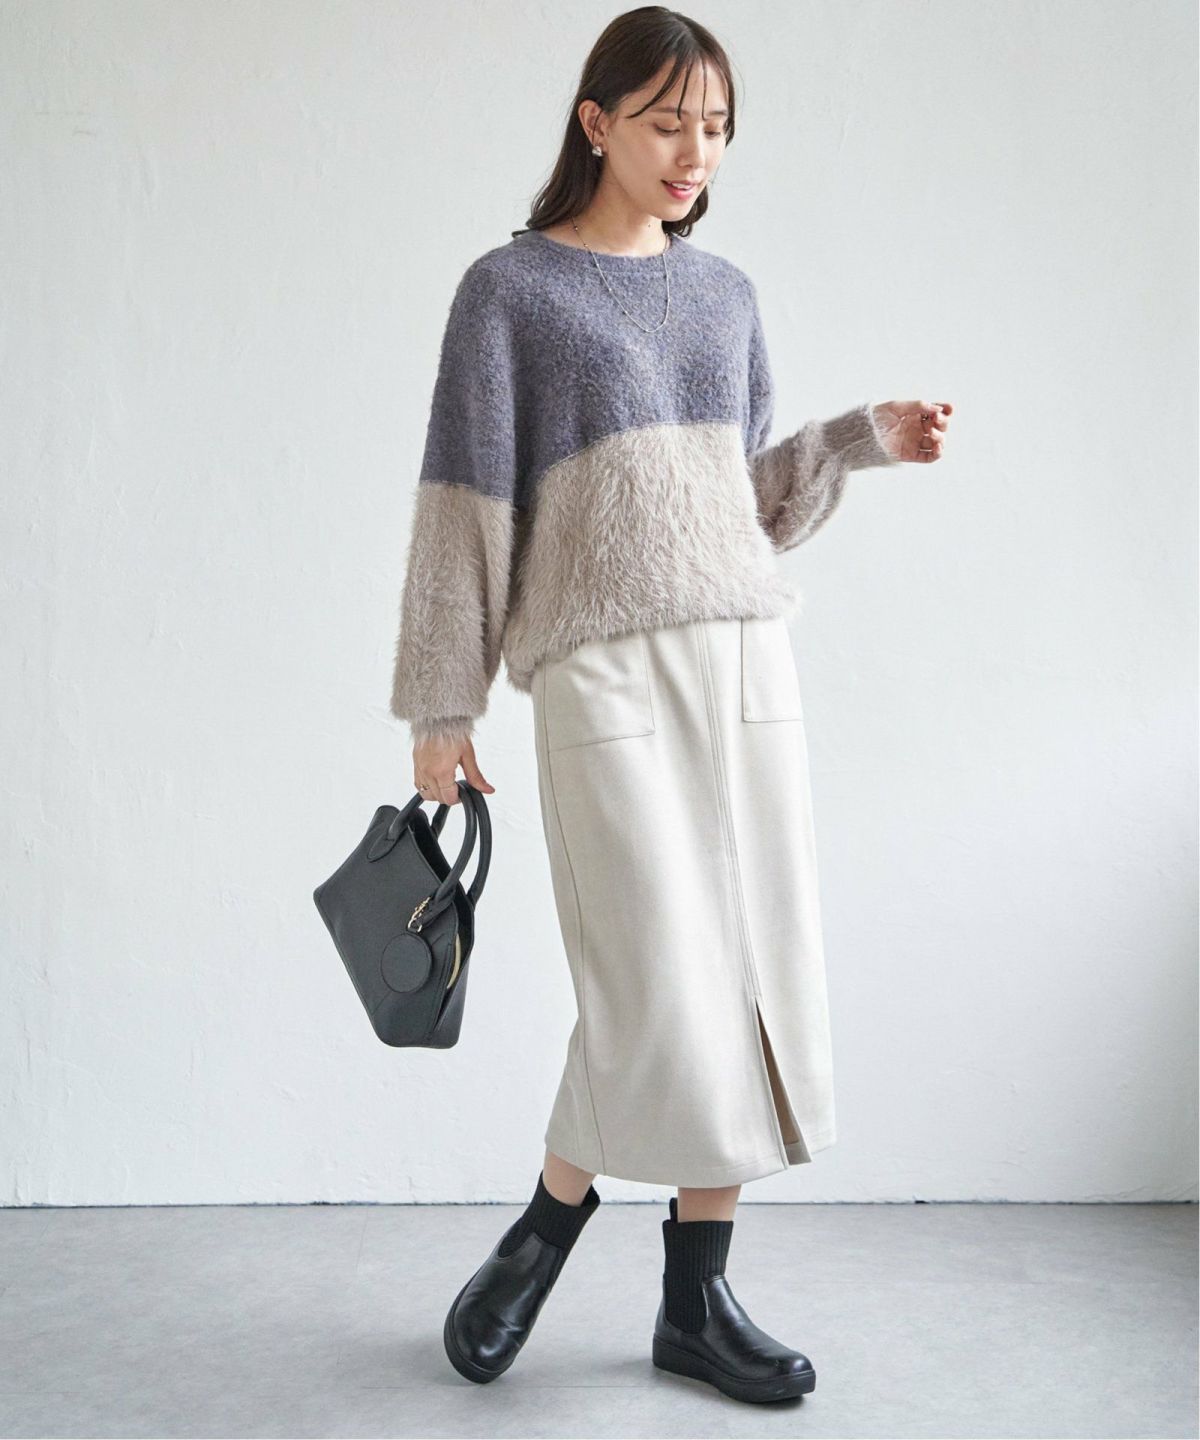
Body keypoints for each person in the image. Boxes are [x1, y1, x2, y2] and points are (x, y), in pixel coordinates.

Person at [389, 5, 952, 1406]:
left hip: (745, 658)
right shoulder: (509, 294)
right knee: (651, 978)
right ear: (596, 123)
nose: (695, 151)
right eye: (666, 123)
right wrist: (443, 707)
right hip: (598, 666)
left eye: (715, 127)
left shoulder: (725, 297)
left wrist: (860, 442)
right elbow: (465, 510)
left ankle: (697, 1297)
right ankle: (548, 1224)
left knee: (751, 967)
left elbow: (736, 508)